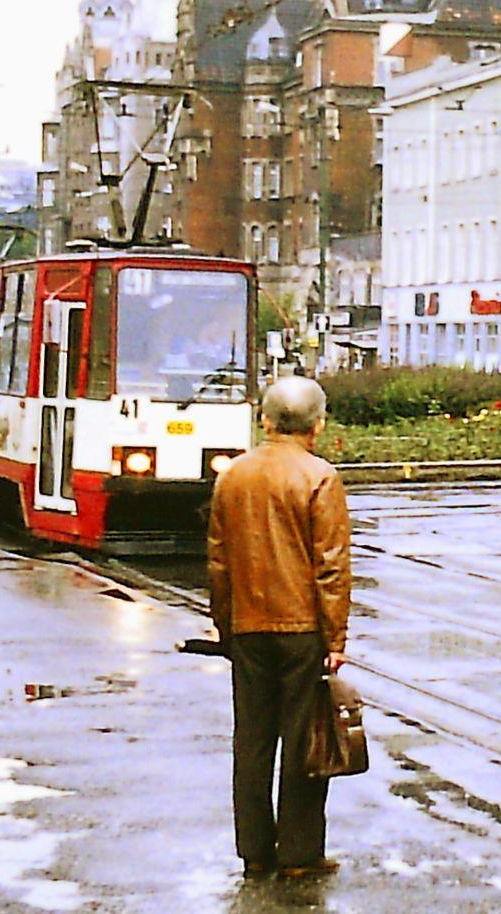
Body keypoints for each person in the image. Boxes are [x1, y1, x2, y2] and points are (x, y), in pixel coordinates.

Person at [207, 377, 352, 879]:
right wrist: (335, 639)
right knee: (304, 740)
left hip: (248, 626)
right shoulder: (320, 478)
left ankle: (254, 851)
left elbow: (220, 561)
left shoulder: (232, 477)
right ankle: (298, 852)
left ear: (265, 421)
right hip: (302, 629)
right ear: (318, 424)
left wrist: (226, 627)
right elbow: (329, 566)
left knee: (251, 740)